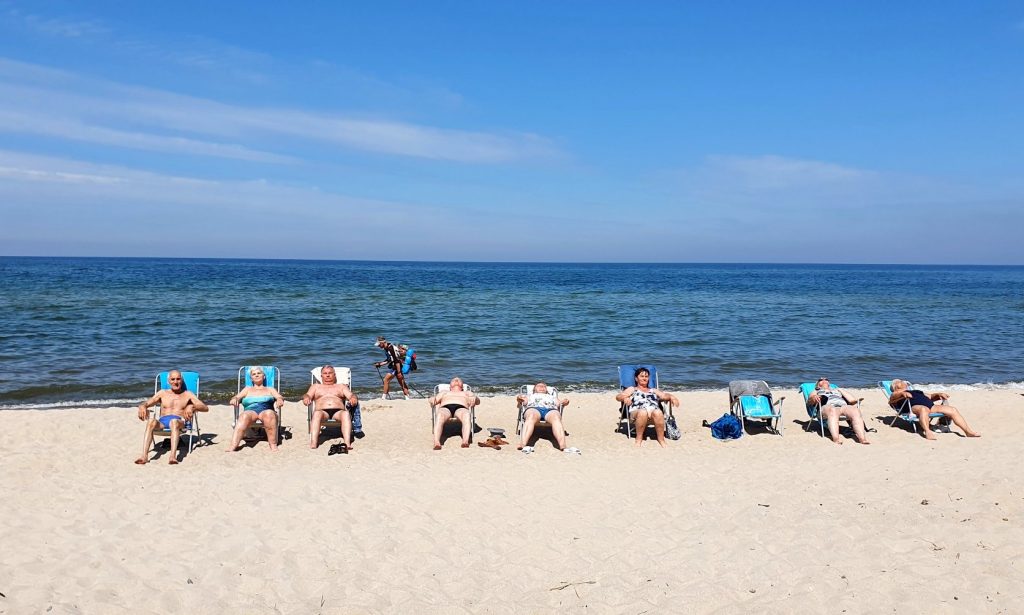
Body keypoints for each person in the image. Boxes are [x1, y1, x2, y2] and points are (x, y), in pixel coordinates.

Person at [135, 369, 209, 465]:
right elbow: (149, 401)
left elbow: (205, 408)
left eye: (178, 379)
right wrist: (142, 406)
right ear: (168, 381)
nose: (175, 382)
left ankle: (172, 456)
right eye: (173, 379)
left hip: (180, 422)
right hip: (163, 422)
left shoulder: (187, 394)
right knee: (151, 421)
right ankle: (144, 456)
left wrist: (192, 407)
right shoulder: (162, 393)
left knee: (173, 422)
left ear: (181, 380)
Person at [888, 379, 980, 440]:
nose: (903, 381)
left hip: (931, 407)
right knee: (923, 409)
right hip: (913, 408)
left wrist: (938, 395)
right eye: (900, 381)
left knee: (952, 410)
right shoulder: (896, 393)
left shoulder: (915, 391)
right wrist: (902, 394)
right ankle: (927, 431)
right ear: (896, 386)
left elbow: (930, 396)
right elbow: (891, 401)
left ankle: (968, 432)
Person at [615, 366, 680, 447]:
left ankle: (661, 440)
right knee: (643, 412)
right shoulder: (632, 389)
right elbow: (618, 397)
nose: (644, 378)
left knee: (658, 412)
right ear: (636, 379)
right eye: (642, 376)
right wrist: (625, 398)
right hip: (637, 414)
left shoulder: (653, 390)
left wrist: (671, 396)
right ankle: (639, 439)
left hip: (653, 414)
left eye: (646, 376)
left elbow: (664, 396)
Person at [302, 364, 361, 451]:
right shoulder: (315, 386)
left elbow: (351, 395)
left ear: (334, 375)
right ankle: (313, 442)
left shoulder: (341, 386)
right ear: (321, 375)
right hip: (322, 412)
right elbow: (307, 395)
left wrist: (353, 398)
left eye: (330, 373)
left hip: (338, 412)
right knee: (317, 413)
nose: (328, 375)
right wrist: (306, 398)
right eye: (325, 373)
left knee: (345, 413)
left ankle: (347, 443)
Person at [227, 365, 284, 452]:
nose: (256, 375)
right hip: (250, 411)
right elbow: (236, 397)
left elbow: (279, 397)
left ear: (263, 376)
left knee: (269, 414)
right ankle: (233, 445)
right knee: (244, 415)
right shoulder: (247, 389)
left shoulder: (270, 389)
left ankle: (273, 444)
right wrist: (235, 399)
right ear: (251, 378)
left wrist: (279, 400)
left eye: (259, 373)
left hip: (266, 410)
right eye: (254, 374)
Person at [806, 378, 870, 445]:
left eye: (826, 379)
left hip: (842, 407)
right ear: (817, 385)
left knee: (855, 410)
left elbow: (852, 400)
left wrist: (840, 390)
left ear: (829, 383)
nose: (824, 380)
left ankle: (862, 439)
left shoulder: (837, 390)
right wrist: (814, 398)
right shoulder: (816, 391)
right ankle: (836, 439)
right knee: (832, 410)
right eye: (821, 379)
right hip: (826, 407)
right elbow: (809, 402)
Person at [427, 376, 479, 450]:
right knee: (440, 414)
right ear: (450, 386)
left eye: (458, 380)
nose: (456, 380)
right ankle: (436, 442)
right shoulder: (444, 392)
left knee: (466, 414)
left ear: (462, 387)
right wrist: (431, 399)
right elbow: (434, 400)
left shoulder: (467, 392)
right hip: (446, 407)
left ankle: (465, 441)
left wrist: (475, 398)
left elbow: (477, 402)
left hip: (461, 408)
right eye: (454, 380)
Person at [516, 382, 570, 451]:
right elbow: (522, 404)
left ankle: (562, 445)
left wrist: (565, 402)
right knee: (531, 416)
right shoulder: (529, 395)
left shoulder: (552, 396)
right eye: (539, 386)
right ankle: (523, 443)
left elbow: (559, 403)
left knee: (556, 417)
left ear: (546, 390)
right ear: (534, 389)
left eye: (544, 386)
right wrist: (519, 400)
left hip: (550, 410)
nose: (541, 387)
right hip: (534, 408)